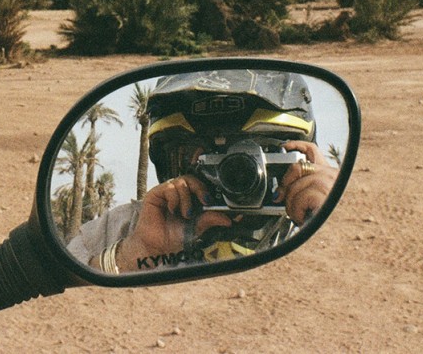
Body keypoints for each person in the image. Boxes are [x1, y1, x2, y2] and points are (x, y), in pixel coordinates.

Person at [66, 69, 338, 273]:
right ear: (163, 163)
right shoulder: (128, 227)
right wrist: (133, 254)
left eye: (260, 154)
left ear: (301, 158)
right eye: (194, 159)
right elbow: (63, 281)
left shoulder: (319, 215)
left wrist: (334, 213)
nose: (231, 175)